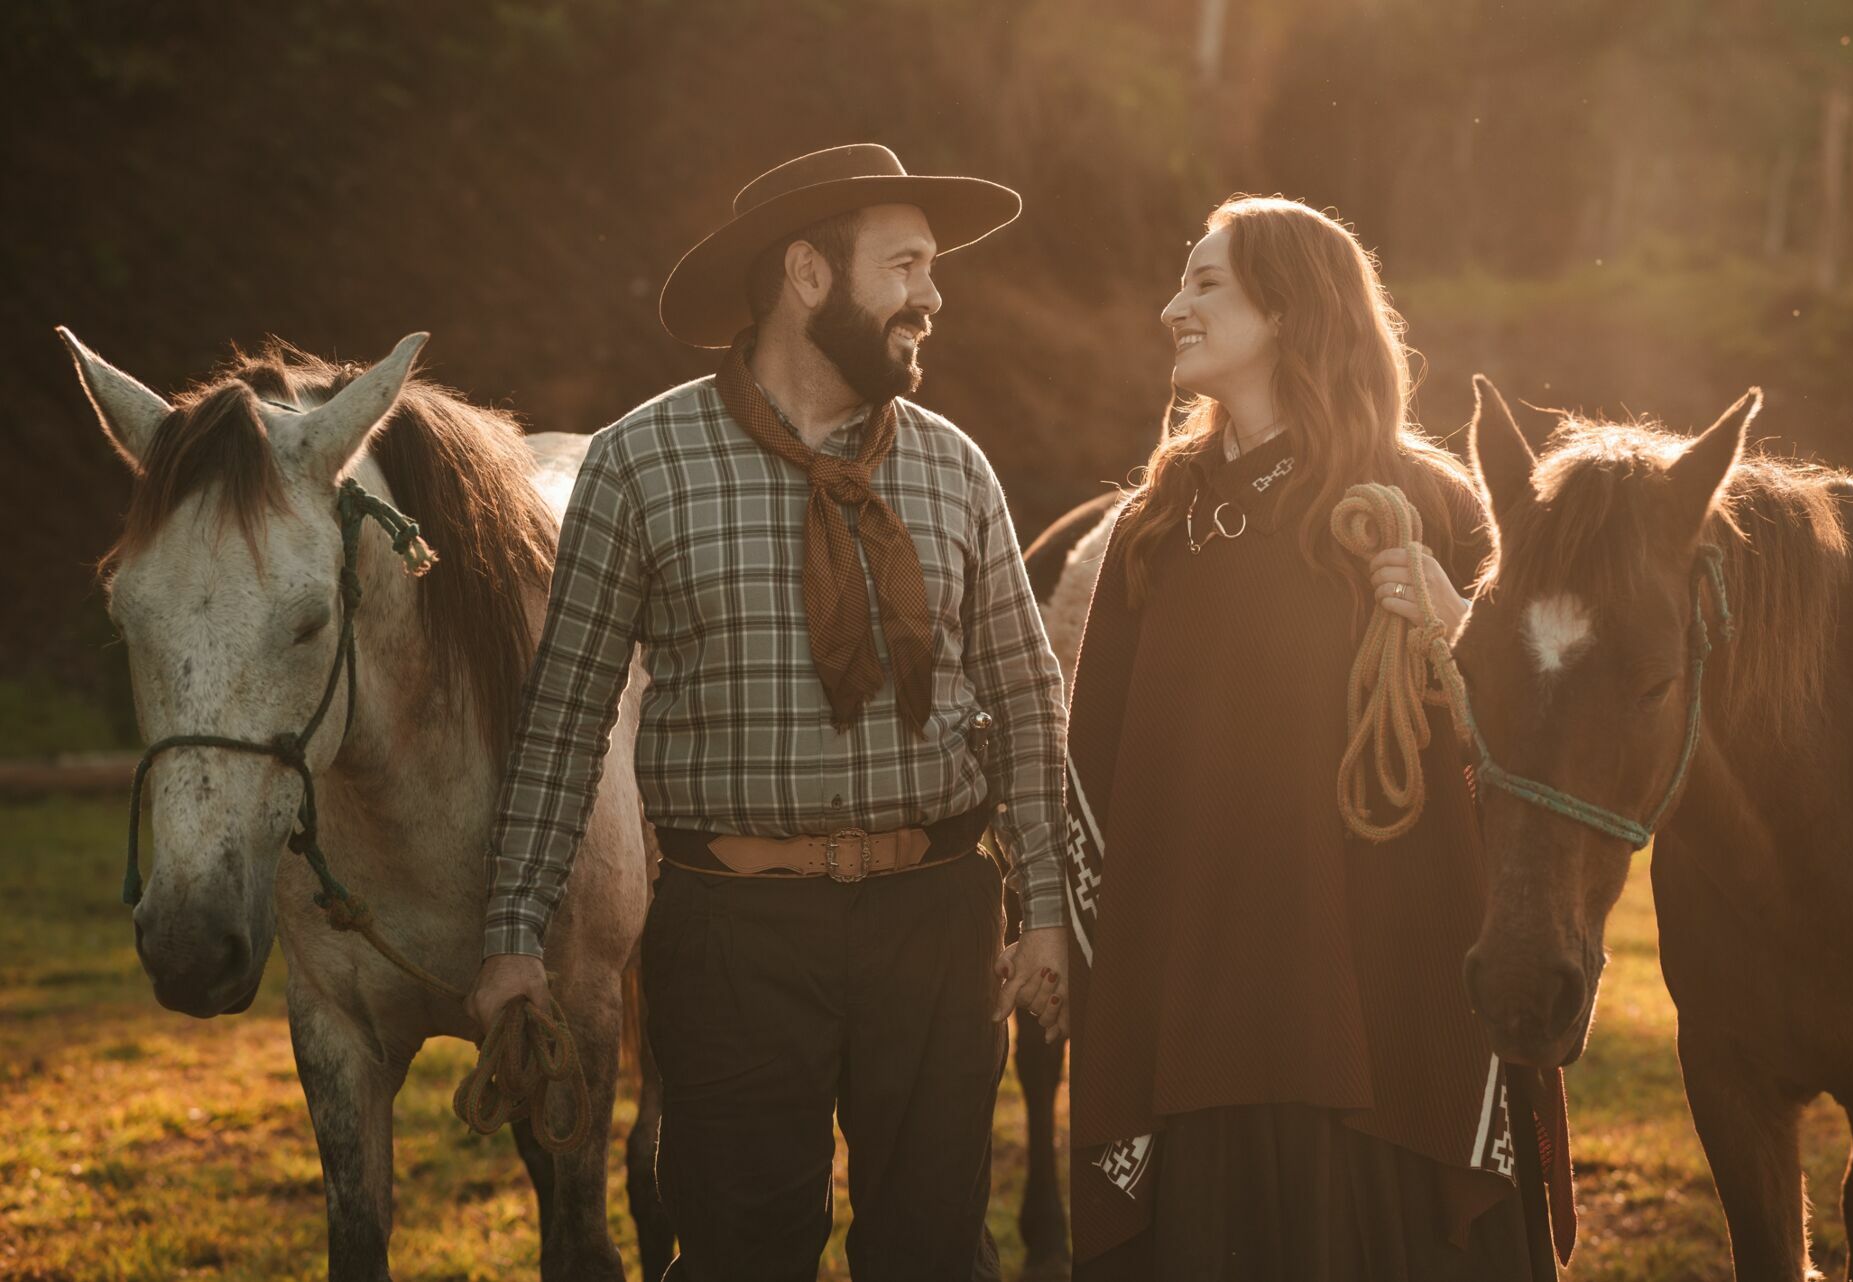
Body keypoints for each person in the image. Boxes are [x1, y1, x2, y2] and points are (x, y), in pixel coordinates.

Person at [466, 143, 1072, 1281]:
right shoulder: (642, 464)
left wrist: (1043, 907)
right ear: (808, 272)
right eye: (906, 266)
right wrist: (512, 933)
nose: (933, 297)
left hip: (938, 920)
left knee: (937, 1252)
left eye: (932, 269)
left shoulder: (955, 468)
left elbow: (1030, 699)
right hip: (732, 934)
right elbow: (565, 714)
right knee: (743, 1251)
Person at [1065, 196, 1573, 1281]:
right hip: (1199, 998)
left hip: (1390, 992)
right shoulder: (1158, 525)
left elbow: (1539, 753)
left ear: (1291, 309)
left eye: (1205, 284)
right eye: (1180, 282)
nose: (1171, 308)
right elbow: (1098, 758)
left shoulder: (1431, 503)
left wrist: (1457, 624)